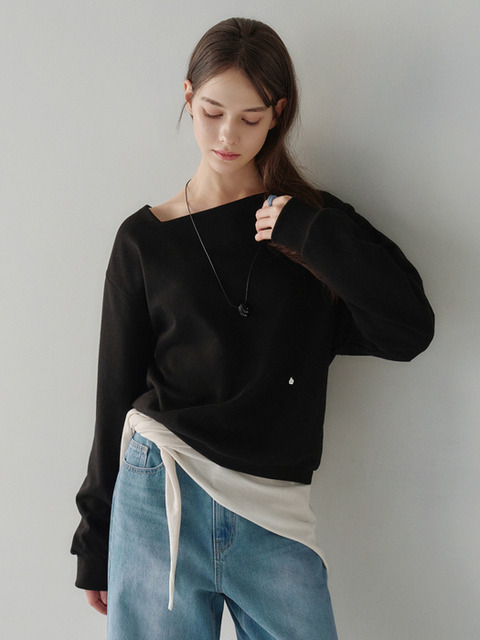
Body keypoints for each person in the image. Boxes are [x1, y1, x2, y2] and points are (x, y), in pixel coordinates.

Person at [71, 17, 434, 640]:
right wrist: (95, 539)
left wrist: (310, 235)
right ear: (189, 97)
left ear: (277, 114)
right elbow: (115, 392)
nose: (227, 135)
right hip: (161, 491)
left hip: (274, 513)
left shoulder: (311, 226)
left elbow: (408, 330)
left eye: (250, 117)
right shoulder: (145, 240)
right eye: (213, 112)